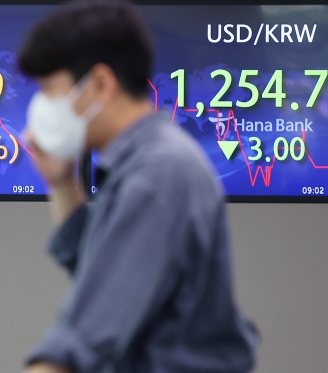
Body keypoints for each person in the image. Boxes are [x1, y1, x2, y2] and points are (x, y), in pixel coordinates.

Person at [17, 1, 259, 372]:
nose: (43, 106)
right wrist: (62, 181)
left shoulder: (158, 172)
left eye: (51, 89)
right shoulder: (143, 163)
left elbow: (85, 335)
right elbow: (101, 267)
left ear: (100, 84)